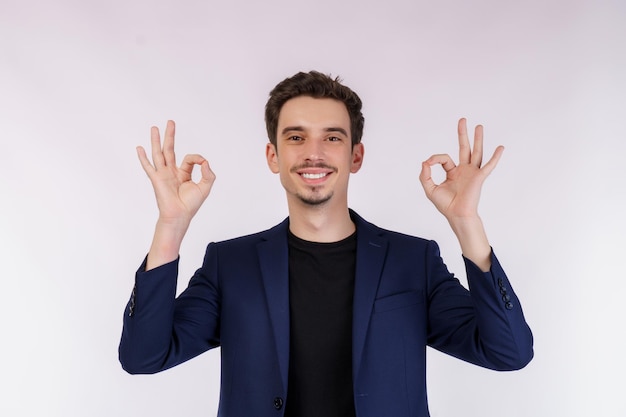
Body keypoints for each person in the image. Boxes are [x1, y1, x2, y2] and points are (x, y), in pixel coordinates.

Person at [119, 71, 533, 417]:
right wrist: (170, 227)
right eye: (296, 138)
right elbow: (143, 357)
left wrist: (466, 224)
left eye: (332, 138)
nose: (313, 154)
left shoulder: (413, 261)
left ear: (356, 156)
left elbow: (508, 352)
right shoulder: (230, 264)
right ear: (273, 156)